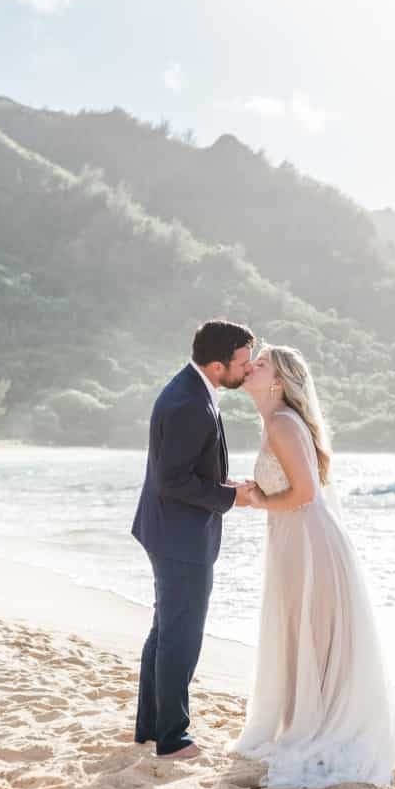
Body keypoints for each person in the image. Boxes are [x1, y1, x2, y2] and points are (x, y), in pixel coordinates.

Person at [229, 345, 395, 787]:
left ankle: (318, 724)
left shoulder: (283, 422)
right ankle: (305, 718)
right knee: (300, 630)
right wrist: (262, 498)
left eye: (262, 363)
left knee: (311, 630)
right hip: (294, 538)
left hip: (308, 542)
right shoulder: (276, 422)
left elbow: (305, 494)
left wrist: (260, 500)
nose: (251, 366)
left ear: (279, 380)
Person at [132, 320, 257, 760]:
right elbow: (173, 481)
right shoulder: (189, 402)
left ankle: (150, 728)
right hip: (178, 535)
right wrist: (231, 497)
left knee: (166, 630)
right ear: (218, 364)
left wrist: (225, 483)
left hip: (168, 528)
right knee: (181, 636)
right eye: (243, 362)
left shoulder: (191, 389)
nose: (250, 369)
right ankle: (172, 738)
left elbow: (183, 471)